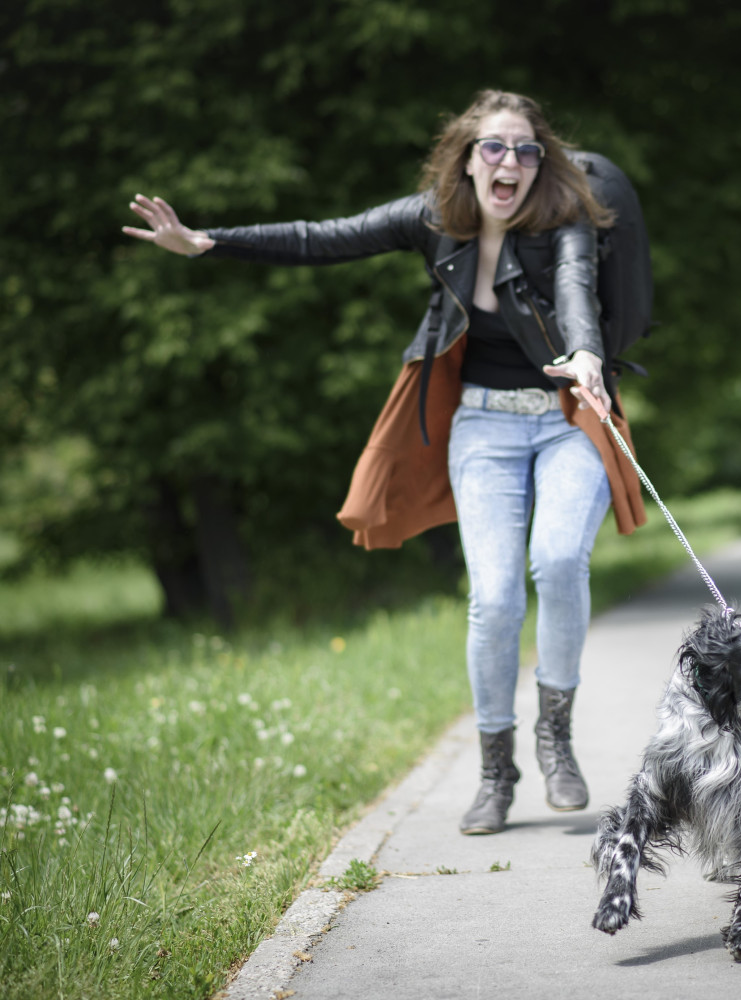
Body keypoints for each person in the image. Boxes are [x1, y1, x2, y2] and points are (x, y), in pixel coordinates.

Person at [123, 89, 646, 835]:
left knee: (560, 562)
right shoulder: (431, 219)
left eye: (526, 150)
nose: (511, 163)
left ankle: (554, 736)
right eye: (494, 147)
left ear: (541, 164)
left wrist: (588, 352)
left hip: (567, 420)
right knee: (494, 597)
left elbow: (576, 288)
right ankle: (496, 771)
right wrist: (208, 242)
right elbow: (321, 236)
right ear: (467, 159)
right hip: (483, 427)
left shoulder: (563, 220)